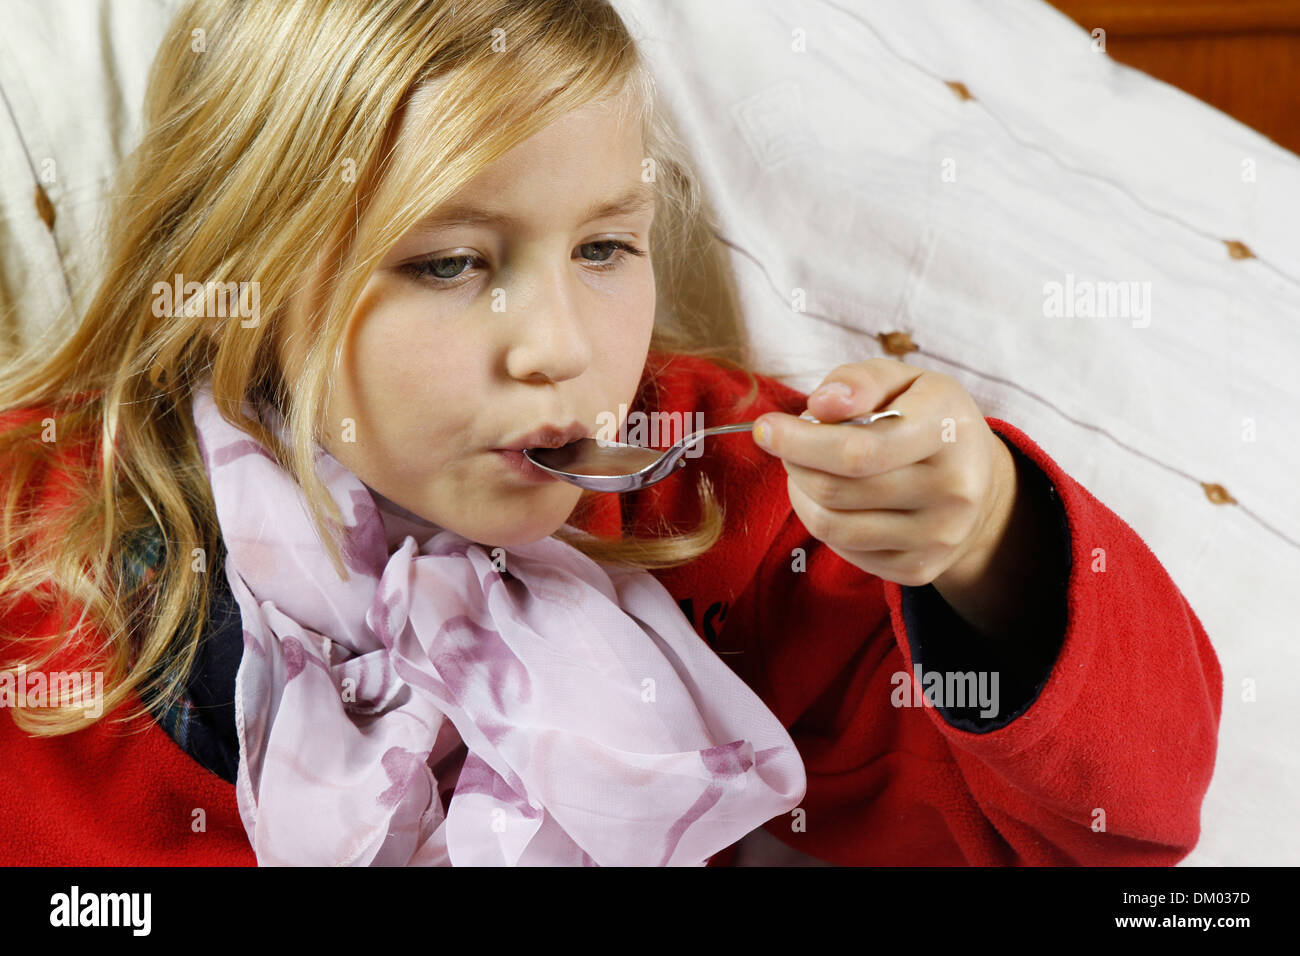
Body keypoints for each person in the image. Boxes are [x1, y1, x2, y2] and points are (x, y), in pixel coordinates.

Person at [0, 0, 1221, 866]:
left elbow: (1104, 831)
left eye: (602, 248)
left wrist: (989, 539)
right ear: (242, 275)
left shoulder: (712, 484)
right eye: (448, 262)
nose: (561, 348)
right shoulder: (39, 541)